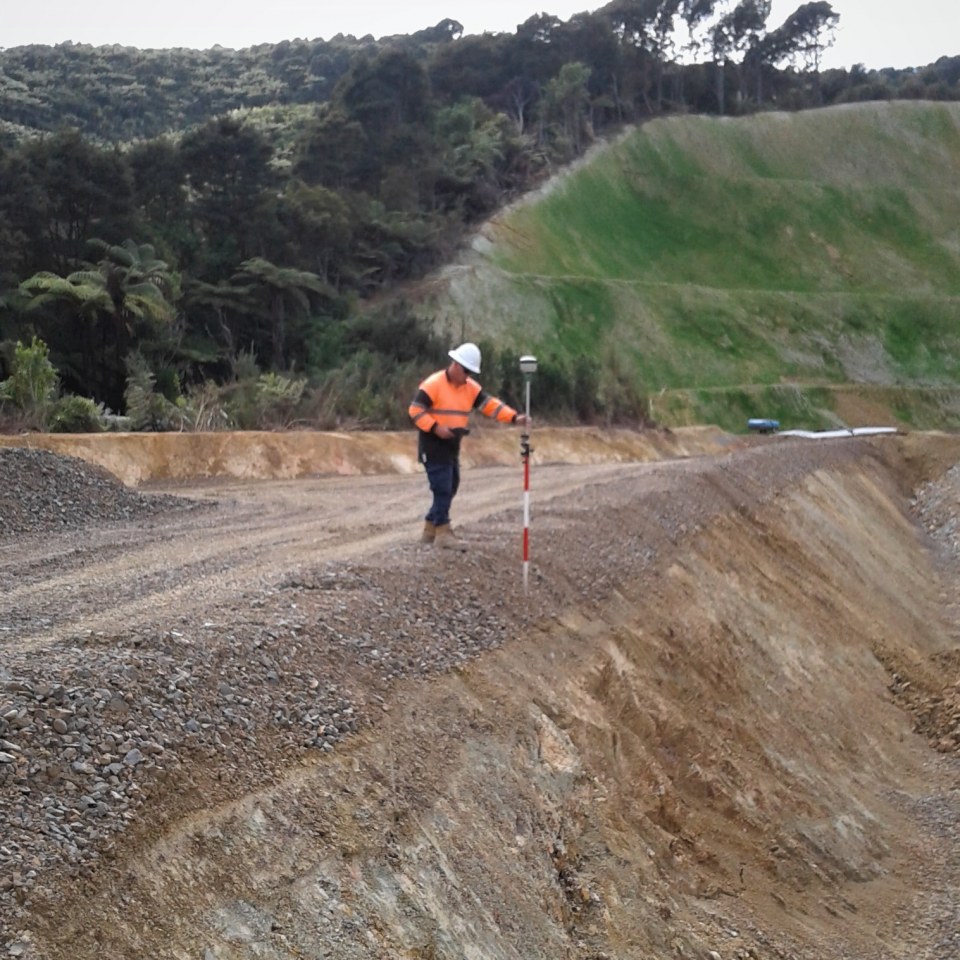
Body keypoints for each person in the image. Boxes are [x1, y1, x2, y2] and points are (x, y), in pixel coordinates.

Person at [409, 342, 529, 549]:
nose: (468, 376)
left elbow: (490, 405)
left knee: (451, 485)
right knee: (442, 487)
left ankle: (430, 529)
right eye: (466, 371)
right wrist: (435, 427)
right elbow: (415, 410)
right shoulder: (434, 384)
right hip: (433, 443)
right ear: (455, 364)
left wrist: (513, 417)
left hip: (452, 444)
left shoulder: (470, 388)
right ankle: (443, 532)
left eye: (471, 372)